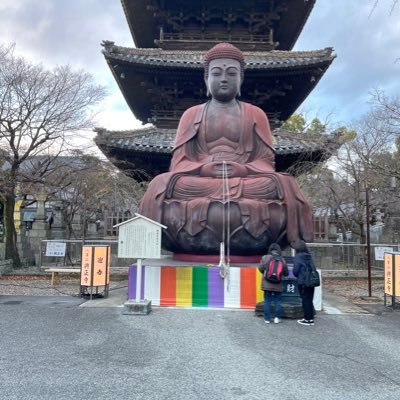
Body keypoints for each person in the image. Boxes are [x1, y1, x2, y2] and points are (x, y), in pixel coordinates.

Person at [139, 42, 313, 257]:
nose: (223, 78)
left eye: (231, 73)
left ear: (241, 79)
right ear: (206, 79)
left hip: (245, 178)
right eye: (216, 73)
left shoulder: (255, 113)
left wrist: (243, 170)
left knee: (282, 183)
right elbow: (180, 161)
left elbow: (265, 160)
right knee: (160, 183)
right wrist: (203, 169)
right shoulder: (191, 114)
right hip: (201, 179)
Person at [259, 243, 289, 324]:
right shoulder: (282, 259)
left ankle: (267, 319)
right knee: (278, 301)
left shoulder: (265, 257)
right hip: (278, 284)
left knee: (267, 301)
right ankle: (277, 318)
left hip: (267, 283)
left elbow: (260, 269)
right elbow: (286, 273)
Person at [292, 240, 316, 326]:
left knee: (305, 300)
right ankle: (311, 318)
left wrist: (297, 275)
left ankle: (307, 319)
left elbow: (295, 271)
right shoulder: (309, 256)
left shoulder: (298, 257)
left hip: (303, 281)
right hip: (311, 281)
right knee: (309, 299)